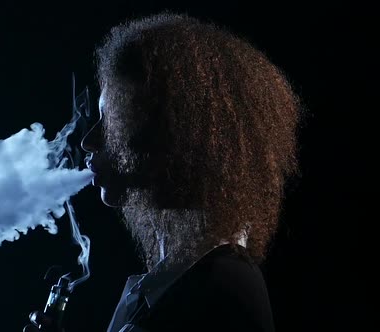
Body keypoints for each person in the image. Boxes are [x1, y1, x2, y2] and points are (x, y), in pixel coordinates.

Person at [25, 11, 303, 332]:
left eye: (112, 119)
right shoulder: (183, 283)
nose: (89, 142)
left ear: (172, 133)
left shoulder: (218, 292)